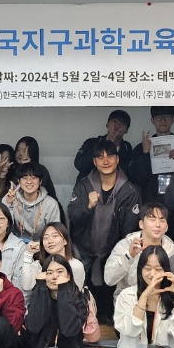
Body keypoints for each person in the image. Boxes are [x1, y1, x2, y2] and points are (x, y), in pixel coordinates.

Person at [68, 138, 142, 323]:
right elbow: (73, 216)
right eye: (100, 157)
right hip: (84, 249)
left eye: (110, 156)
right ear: (94, 162)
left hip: (112, 251)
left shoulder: (129, 190)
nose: (106, 161)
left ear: (118, 159)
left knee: (111, 294)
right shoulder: (83, 185)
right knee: (78, 291)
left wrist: (115, 252)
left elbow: (129, 229)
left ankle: (110, 322)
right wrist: (88, 207)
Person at [1, 254, 92, 348]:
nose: (54, 276)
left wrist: (63, 291)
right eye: (49, 273)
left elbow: (69, 329)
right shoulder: (39, 294)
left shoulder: (79, 298)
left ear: (68, 275)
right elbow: (34, 326)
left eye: (60, 272)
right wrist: (41, 288)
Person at [104, 202, 174, 297]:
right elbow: (109, 279)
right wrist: (129, 256)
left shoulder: (171, 249)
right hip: (129, 298)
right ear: (141, 224)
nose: (158, 224)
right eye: (152, 219)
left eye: (162, 220)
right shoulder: (126, 244)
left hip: (159, 299)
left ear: (166, 227)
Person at [16, 221, 85, 295]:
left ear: (65, 241)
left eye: (55, 236)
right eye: (45, 238)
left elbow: (76, 295)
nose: (50, 241)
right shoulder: (38, 265)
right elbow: (27, 286)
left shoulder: (75, 265)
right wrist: (28, 254)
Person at [130, 105, 174, 197]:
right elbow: (136, 179)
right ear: (152, 120)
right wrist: (145, 153)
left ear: (173, 119)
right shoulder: (141, 148)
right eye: (158, 117)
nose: (163, 120)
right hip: (150, 199)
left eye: (167, 117)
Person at [2, 162, 60, 241]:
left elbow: (55, 232)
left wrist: (40, 244)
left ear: (40, 181)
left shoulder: (51, 203)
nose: (29, 182)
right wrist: (9, 204)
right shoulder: (10, 199)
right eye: (25, 178)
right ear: (18, 181)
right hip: (15, 243)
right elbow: (4, 229)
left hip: (42, 244)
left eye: (34, 178)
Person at [73, 110, 136, 180]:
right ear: (107, 124)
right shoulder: (92, 142)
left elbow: (128, 173)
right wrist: (102, 146)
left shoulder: (127, 147)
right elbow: (79, 165)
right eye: (114, 121)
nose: (117, 125)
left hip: (115, 186)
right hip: (88, 184)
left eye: (122, 123)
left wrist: (113, 147)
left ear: (126, 130)